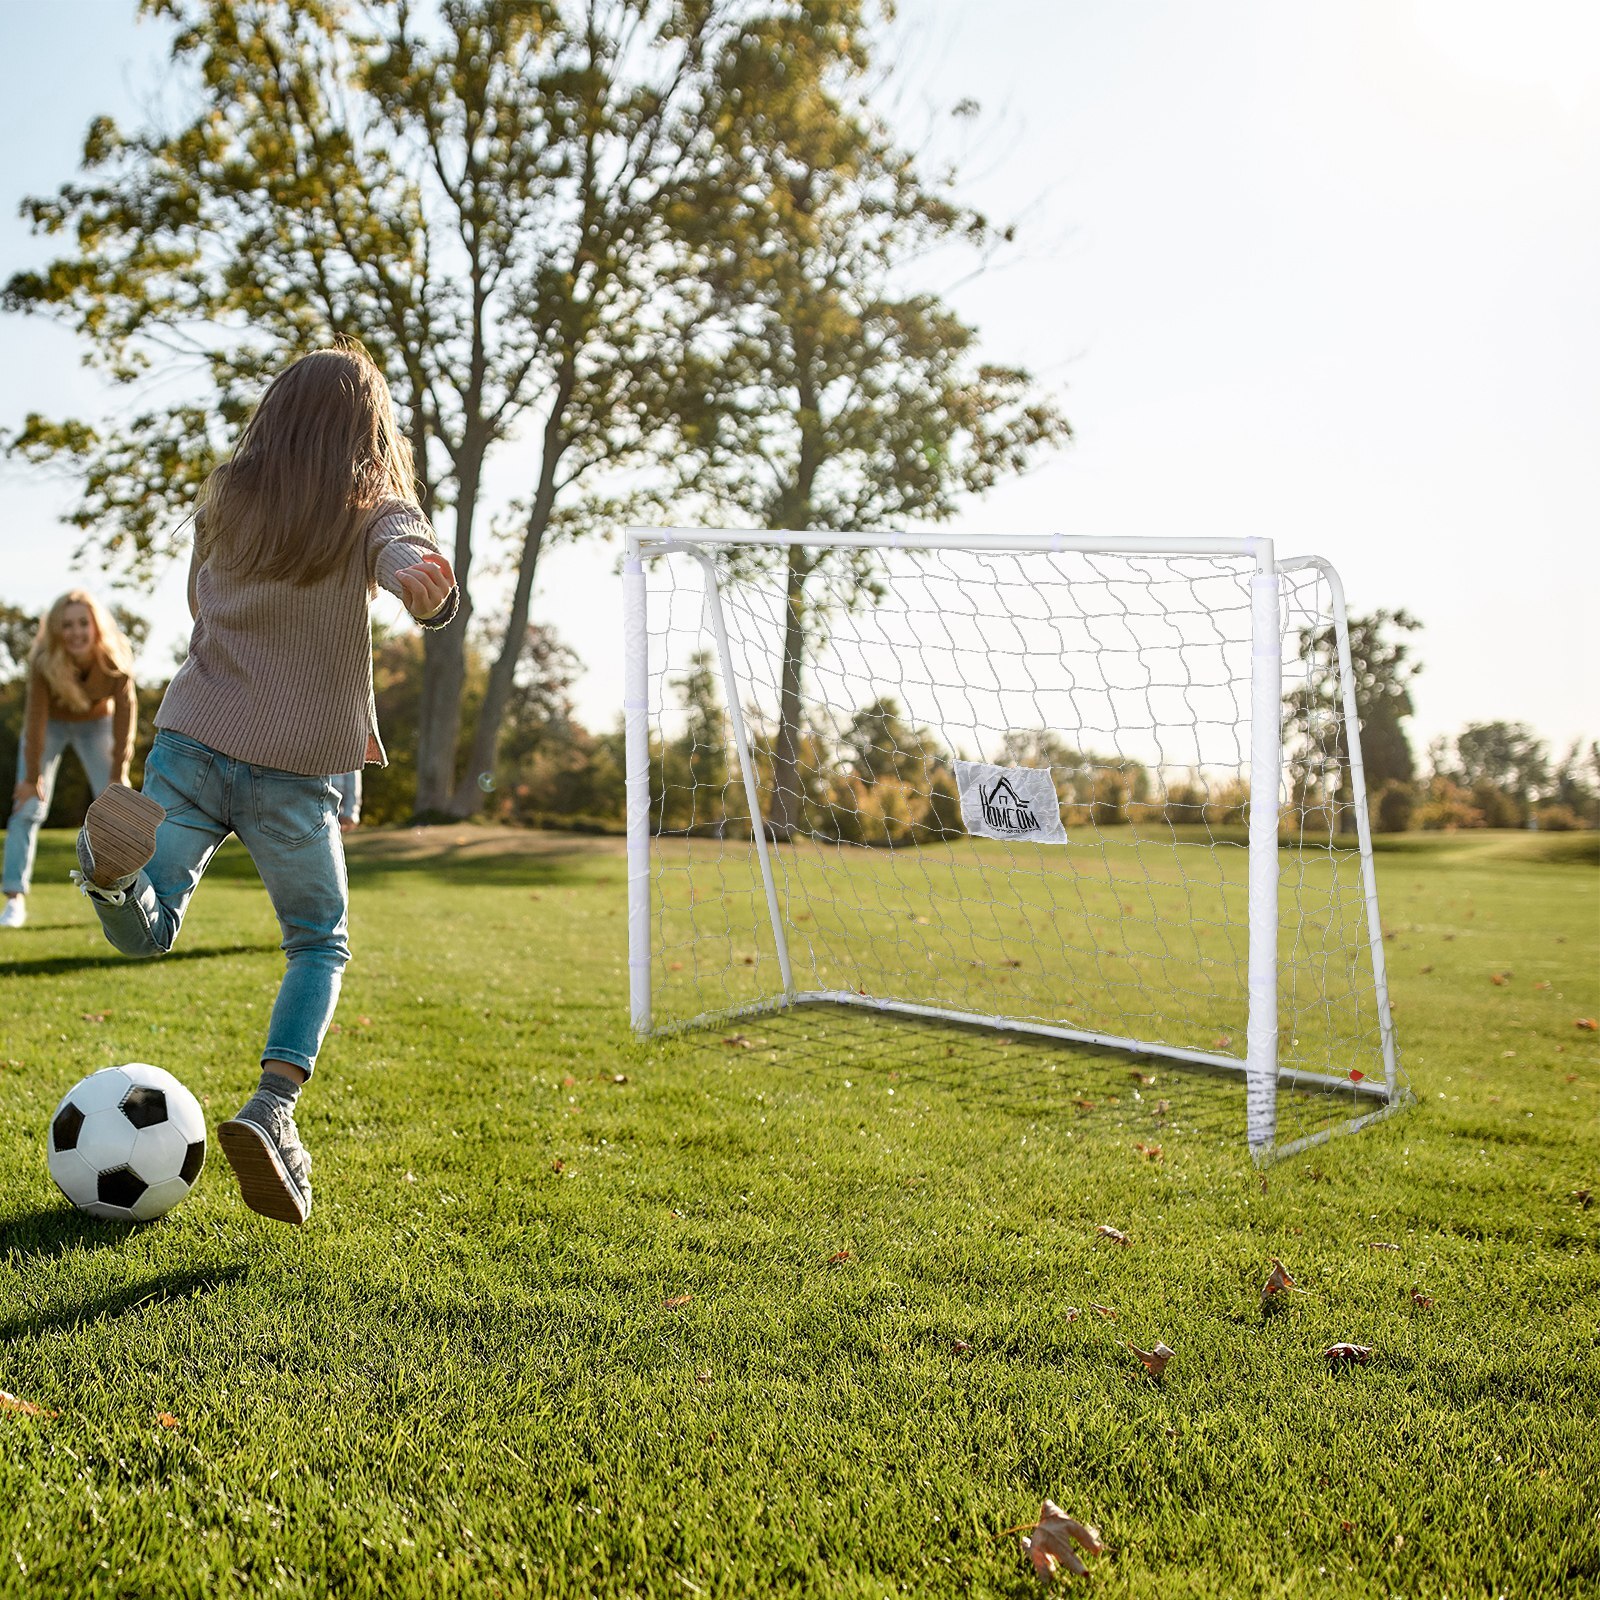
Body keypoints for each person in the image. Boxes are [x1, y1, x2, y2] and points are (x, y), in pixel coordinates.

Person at [71, 340, 458, 1226]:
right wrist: (419, 586)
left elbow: (199, 605)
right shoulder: (372, 508)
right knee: (318, 942)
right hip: (293, 769)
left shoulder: (225, 495)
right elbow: (410, 554)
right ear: (369, 427)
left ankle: (109, 876)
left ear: (276, 414)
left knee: (153, 927)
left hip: (195, 734)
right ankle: (273, 1107)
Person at [2, 591, 138, 930]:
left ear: (96, 627)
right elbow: (34, 721)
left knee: (117, 807)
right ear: (56, 630)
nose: (76, 632)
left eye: (83, 624)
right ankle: (14, 899)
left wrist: (118, 771)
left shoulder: (115, 658)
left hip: (97, 725)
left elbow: (126, 718)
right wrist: (32, 778)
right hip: (52, 725)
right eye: (67, 625)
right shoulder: (44, 660)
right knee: (28, 805)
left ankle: (129, 892)